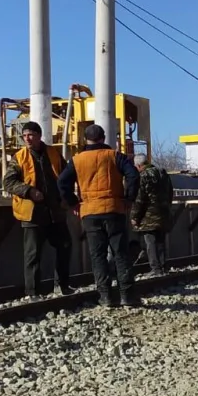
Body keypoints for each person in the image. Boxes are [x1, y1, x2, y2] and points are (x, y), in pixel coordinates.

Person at [58, 123, 140, 307]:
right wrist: (129, 198)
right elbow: (133, 175)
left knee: (98, 255)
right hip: (114, 210)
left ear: (85, 140)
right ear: (103, 138)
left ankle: (105, 296)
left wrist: (73, 203)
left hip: (89, 212)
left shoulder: (77, 160)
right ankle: (127, 295)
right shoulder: (115, 156)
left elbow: (62, 182)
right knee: (120, 253)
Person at [3, 121, 72, 297]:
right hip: (31, 212)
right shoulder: (19, 157)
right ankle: (33, 292)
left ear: (39, 136)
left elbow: (66, 175)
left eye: (30, 135)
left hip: (55, 210)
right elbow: (8, 182)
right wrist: (29, 191)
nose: (27, 139)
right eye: (24, 136)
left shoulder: (53, 153)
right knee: (33, 254)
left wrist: (67, 197)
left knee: (65, 245)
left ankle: (62, 285)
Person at [131, 154, 174, 276]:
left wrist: (135, 216)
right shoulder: (162, 174)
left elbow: (140, 199)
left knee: (150, 242)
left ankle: (156, 269)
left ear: (139, 165)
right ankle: (163, 267)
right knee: (160, 241)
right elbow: (170, 192)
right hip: (164, 213)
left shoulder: (143, 176)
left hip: (148, 216)